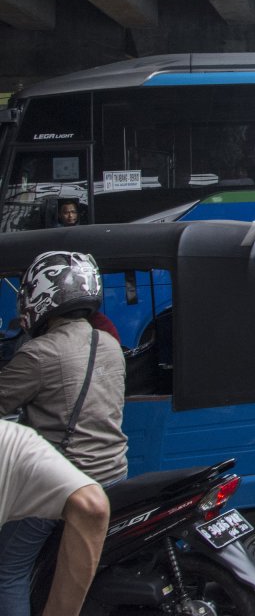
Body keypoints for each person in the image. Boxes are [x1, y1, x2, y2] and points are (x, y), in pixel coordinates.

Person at [0, 251, 127, 616]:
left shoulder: (39, 354)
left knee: (7, 570)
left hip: (63, 485)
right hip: (114, 472)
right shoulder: (109, 344)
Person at [0, 420, 109, 616]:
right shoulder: (10, 439)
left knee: (9, 570)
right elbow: (91, 506)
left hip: (78, 470)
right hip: (109, 468)